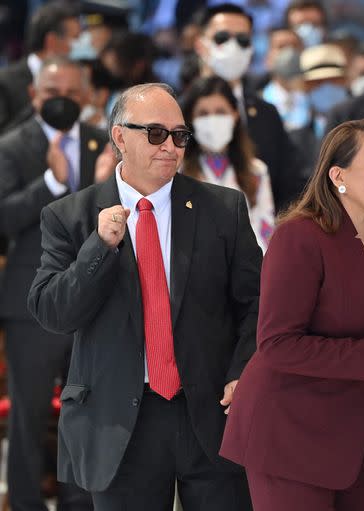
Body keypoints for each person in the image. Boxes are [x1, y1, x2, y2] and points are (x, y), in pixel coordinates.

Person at [27, 82, 262, 510]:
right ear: (120, 137)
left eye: (179, 135)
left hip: (210, 413)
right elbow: (52, 312)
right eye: (156, 133)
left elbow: (257, 304)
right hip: (119, 421)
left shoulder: (222, 208)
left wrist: (243, 370)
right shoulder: (71, 216)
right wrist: (99, 249)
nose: (170, 146)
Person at [220, 118, 364, 509]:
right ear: (337, 174)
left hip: (363, 431)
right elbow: (277, 345)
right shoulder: (299, 237)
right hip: (291, 432)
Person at [0, 57, 112, 511]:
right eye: (50, 92)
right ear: (33, 96)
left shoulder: (103, 144)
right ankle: (25, 503)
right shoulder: (11, 146)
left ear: (85, 96)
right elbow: (4, 216)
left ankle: (79, 502)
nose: (59, 99)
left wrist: (107, 185)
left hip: (90, 298)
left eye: (69, 91)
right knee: (28, 414)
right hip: (29, 304)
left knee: (85, 411)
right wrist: (50, 182)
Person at [193, 3, 303, 213]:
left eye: (243, 40)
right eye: (222, 38)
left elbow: (290, 185)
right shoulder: (178, 111)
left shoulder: (266, 114)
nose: (233, 47)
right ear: (200, 45)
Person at [181, 76, 275, 249]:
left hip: (247, 267)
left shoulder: (256, 171)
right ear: (191, 120)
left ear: (235, 115)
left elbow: (266, 232)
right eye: (203, 114)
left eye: (220, 112)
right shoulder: (177, 173)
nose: (212, 120)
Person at [0, 1, 80, 134]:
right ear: (52, 41)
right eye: (75, 38)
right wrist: (36, 108)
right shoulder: (4, 82)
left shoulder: (80, 80)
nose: (80, 44)